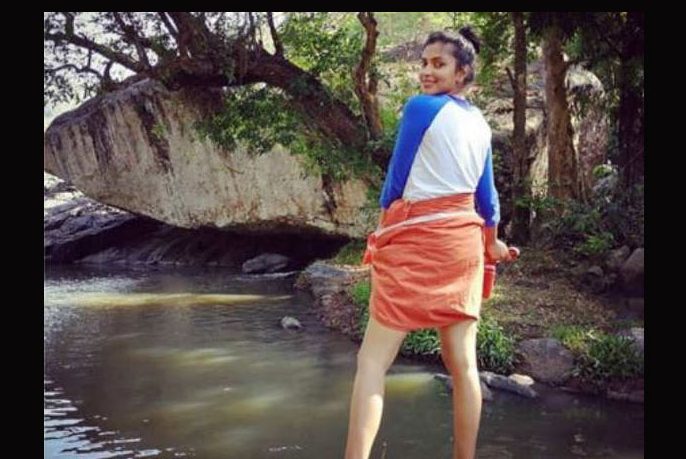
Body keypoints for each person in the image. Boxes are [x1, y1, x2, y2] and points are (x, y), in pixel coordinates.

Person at [344, 27, 515, 459]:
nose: (426, 71)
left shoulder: (421, 108)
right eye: (423, 63)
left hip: (417, 239)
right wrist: (492, 243)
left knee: (372, 361)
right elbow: (488, 200)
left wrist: (381, 234)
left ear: (463, 73)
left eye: (438, 64)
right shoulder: (479, 123)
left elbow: (395, 181)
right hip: (463, 246)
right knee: (464, 366)